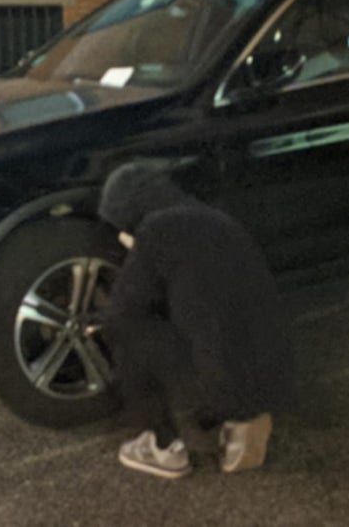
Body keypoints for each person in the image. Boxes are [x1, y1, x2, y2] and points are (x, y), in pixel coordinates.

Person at [97, 161, 293, 479]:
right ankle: (245, 419)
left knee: (124, 327)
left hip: (215, 381)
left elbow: (126, 307)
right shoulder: (220, 220)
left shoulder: (156, 230)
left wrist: (137, 251)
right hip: (278, 373)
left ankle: (163, 447)